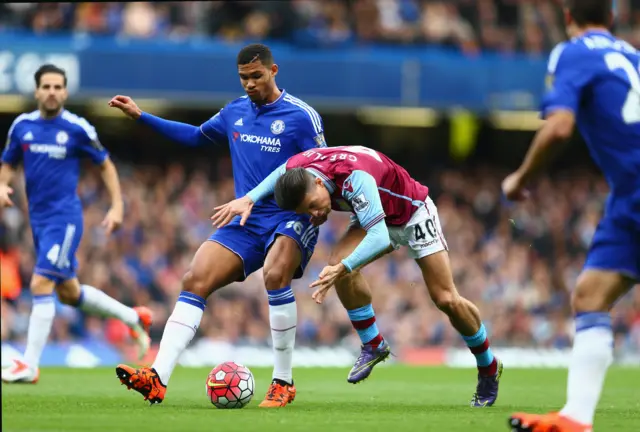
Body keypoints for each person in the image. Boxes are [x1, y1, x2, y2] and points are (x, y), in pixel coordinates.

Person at [108, 43, 341, 407]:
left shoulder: (301, 116)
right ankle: (157, 378)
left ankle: (283, 382)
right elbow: (195, 136)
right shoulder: (234, 112)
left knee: (275, 275)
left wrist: (320, 201)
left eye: (256, 76)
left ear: (273, 70)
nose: (249, 84)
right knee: (194, 278)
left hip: (290, 215)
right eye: (243, 78)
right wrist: (142, 116)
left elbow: (324, 164)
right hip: (245, 219)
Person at [212, 145, 504, 407]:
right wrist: (249, 198)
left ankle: (488, 367)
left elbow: (378, 237)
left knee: (445, 299)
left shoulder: (354, 178)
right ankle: (373, 344)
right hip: (372, 214)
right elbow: (281, 170)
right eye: (308, 211)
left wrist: (345, 268)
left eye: (314, 205)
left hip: (413, 214)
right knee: (338, 262)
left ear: (317, 182)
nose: (316, 214)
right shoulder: (300, 168)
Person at [502, 0, 640, 430]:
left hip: (635, 186)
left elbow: (559, 125)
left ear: (567, 18)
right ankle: (575, 419)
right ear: (613, 18)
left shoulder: (572, 51)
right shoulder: (633, 54)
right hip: (629, 192)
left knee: (591, 296)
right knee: (591, 295)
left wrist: (521, 176)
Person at [0, 64, 152, 384]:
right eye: (47, 86)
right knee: (69, 293)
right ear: (37, 91)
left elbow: (106, 165)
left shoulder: (77, 128)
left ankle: (29, 365)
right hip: (38, 221)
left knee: (40, 284)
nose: (52, 92)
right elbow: (8, 163)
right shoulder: (22, 126)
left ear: (65, 92)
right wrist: (2, 185)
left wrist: (117, 206)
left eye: (58, 87)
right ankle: (133, 316)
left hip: (65, 218)